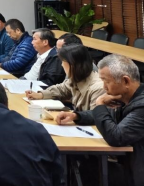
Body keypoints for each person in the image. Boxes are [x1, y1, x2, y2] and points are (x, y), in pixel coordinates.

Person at [57, 55, 144, 186]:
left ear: (126, 81)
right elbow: (107, 115)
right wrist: (76, 116)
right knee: (83, 163)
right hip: (128, 163)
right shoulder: (125, 97)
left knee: (88, 168)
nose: (104, 87)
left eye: (106, 81)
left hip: (136, 172)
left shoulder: (141, 106)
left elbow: (116, 137)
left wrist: (99, 104)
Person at [26, 44, 104, 111]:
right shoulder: (77, 78)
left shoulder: (98, 88)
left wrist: (75, 117)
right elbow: (61, 89)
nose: (61, 65)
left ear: (73, 64)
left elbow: (95, 117)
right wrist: (40, 95)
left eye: (63, 61)